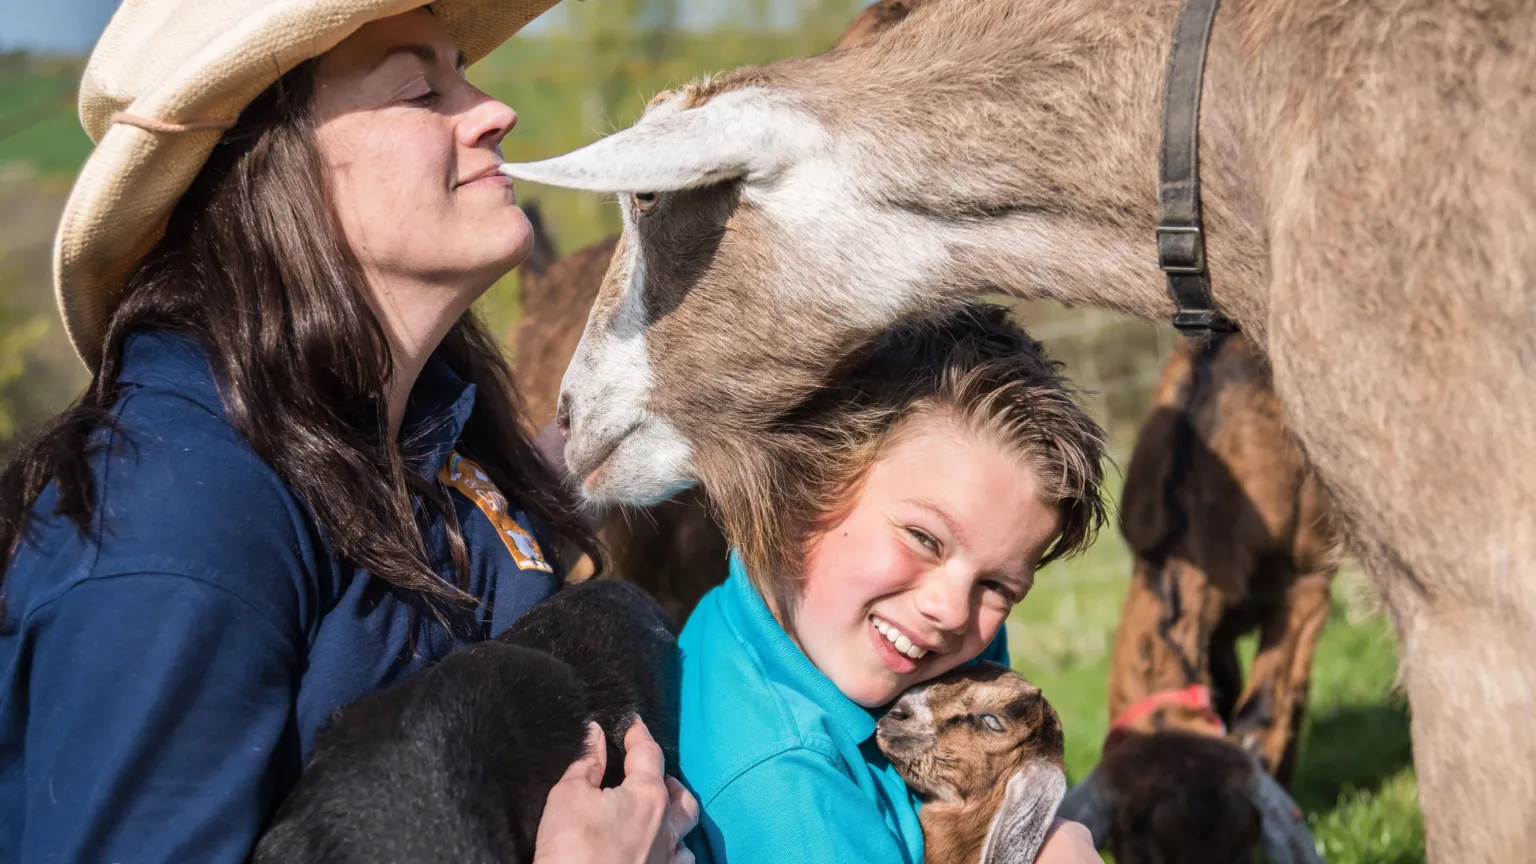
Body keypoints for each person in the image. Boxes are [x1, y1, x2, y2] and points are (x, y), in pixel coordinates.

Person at [0, 2, 693, 861]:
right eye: (419, 90)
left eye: (461, 74)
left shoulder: (423, 444)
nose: (494, 110)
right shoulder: (172, 518)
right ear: (263, 170)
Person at [677, 303, 1108, 863]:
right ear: (807, 481)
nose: (953, 610)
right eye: (924, 539)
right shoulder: (787, 793)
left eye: (997, 587)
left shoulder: (850, 632)